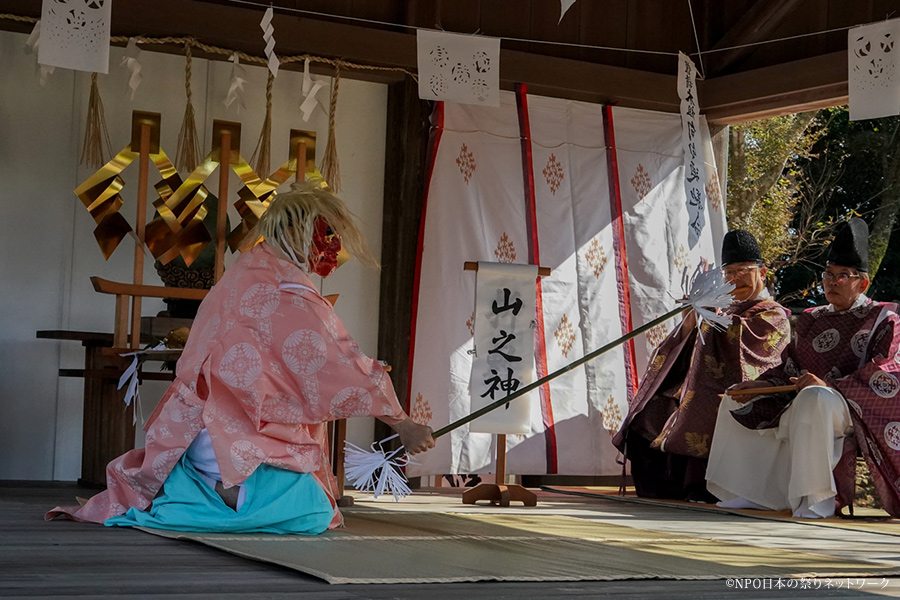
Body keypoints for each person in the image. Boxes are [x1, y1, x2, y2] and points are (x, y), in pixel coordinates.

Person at [47, 180, 435, 533]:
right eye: (328, 234)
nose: (332, 247)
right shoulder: (288, 290)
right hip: (236, 441)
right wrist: (401, 422)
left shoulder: (243, 273)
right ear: (302, 234)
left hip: (195, 432)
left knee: (306, 498)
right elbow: (339, 364)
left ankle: (192, 490)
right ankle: (217, 498)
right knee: (316, 512)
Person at [707, 218, 900, 518]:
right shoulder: (811, 317)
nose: (832, 282)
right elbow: (789, 366)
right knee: (735, 396)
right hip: (805, 399)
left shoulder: (884, 317)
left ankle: (816, 500)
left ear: (862, 283)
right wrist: (761, 385)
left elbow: (885, 373)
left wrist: (829, 387)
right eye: (828, 274)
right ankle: (752, 493)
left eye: (842, 276)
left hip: (850, 405)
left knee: (814, 399)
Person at [613, 230, 790, 501]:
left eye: (744, 270)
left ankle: (700, 488)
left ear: (763, 272)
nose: (735, 279)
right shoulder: (721, 310)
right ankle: (659, 492)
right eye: (729, 272)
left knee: (699, 403)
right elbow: (680, 348)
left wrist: (709, 321)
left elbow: (755, 355)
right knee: (649, 409)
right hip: (694, 384)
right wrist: (690, 322)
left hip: (747, 389)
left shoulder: (773, 314)